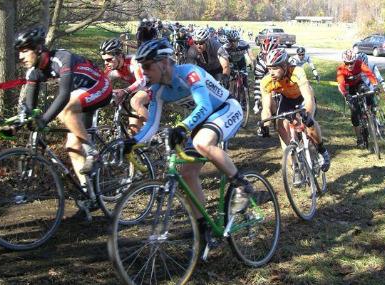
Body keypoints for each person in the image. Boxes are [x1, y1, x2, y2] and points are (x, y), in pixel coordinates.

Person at [123, 38, 257, 217]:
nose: (144, 72)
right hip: (202, 121)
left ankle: (242, 185)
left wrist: (182, 127)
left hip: (226, 109)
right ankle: (202, 229)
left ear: (163, 63)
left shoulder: (189, 73)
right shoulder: (158, 91)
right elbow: (151, 125)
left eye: (147, 66)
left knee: (202, 143)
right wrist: (132, 141)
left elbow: (204, 106)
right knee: (187, 175)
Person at [13, 27, 112, 188]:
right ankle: (90, 194)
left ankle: (93, 153)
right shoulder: (33, 72)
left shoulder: (62, 58)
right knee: (72, 147)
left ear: (38, 49)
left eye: (24, 51)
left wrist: (44, 120)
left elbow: (64, 95)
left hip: (100, 86)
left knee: (66, 110)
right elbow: (31, 107)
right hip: (81, 95)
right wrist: (19, 122)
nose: (20, 57)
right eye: (19, 52)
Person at [258, 48, 331, 172]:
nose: (271, 72)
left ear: (285, 65)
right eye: (269, 68)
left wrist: (307, 114)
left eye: (275, 68)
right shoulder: (267, 81)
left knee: (309, 123)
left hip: (303, 97)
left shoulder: (297, 72)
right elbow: (266, 108)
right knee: (280, 125)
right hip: (287, 100)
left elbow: (308, 97)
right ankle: (294, 162)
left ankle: (322, 150)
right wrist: (264, 124)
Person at [99, 38, 148, 134]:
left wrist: (125, 91)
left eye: (109, 59)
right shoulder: (111, 68)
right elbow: (102, 83)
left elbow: (142, 81)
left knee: (135, 101)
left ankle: (153, 130)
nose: (106, 63)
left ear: (120, 55)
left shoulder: (133, 61)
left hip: (154, 86)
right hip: (139, 90)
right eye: (104, 60)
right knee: (133, 129)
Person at [336, 49, 378, 147]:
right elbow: (341, 85)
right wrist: (346, 94)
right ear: (344, 63)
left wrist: (375, 84)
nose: (350, 65)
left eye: (352, 63)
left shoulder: (359, 63)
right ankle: (359, 138)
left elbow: (369, 73)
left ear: (355, 61)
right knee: (354, 112)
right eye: (347, 63)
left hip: (359, 84)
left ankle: (371, 112)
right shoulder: (341, 69)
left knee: (368, 93)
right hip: (349, 88)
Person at [253, 37, 278, 114]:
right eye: (264, 54)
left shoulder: (280, 60)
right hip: (263, 74)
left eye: (268, 54)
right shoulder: (260, 62)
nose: (266, 57)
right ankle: (258, 103)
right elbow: (258, 82)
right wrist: (257, 101)